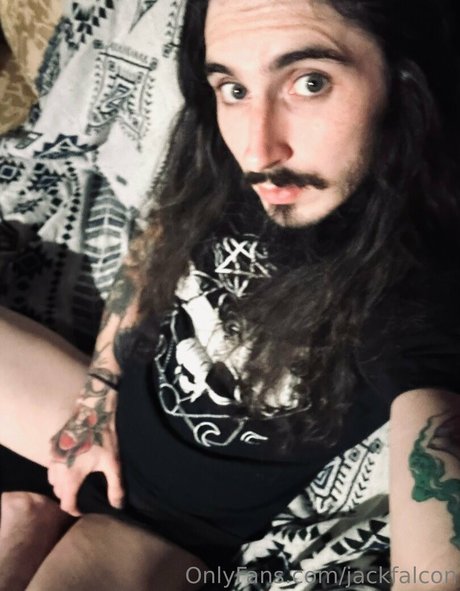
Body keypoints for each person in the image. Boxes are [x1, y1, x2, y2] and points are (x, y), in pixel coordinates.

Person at [0, 0, 460, 589]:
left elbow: (436, 472)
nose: (259, 150)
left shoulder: (415, 279)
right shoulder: (232, 156)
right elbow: (158, 239)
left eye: (310, 82)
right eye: (233, 89)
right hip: (93, 414)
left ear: (404, 77)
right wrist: (97, 398)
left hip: (159, 525)